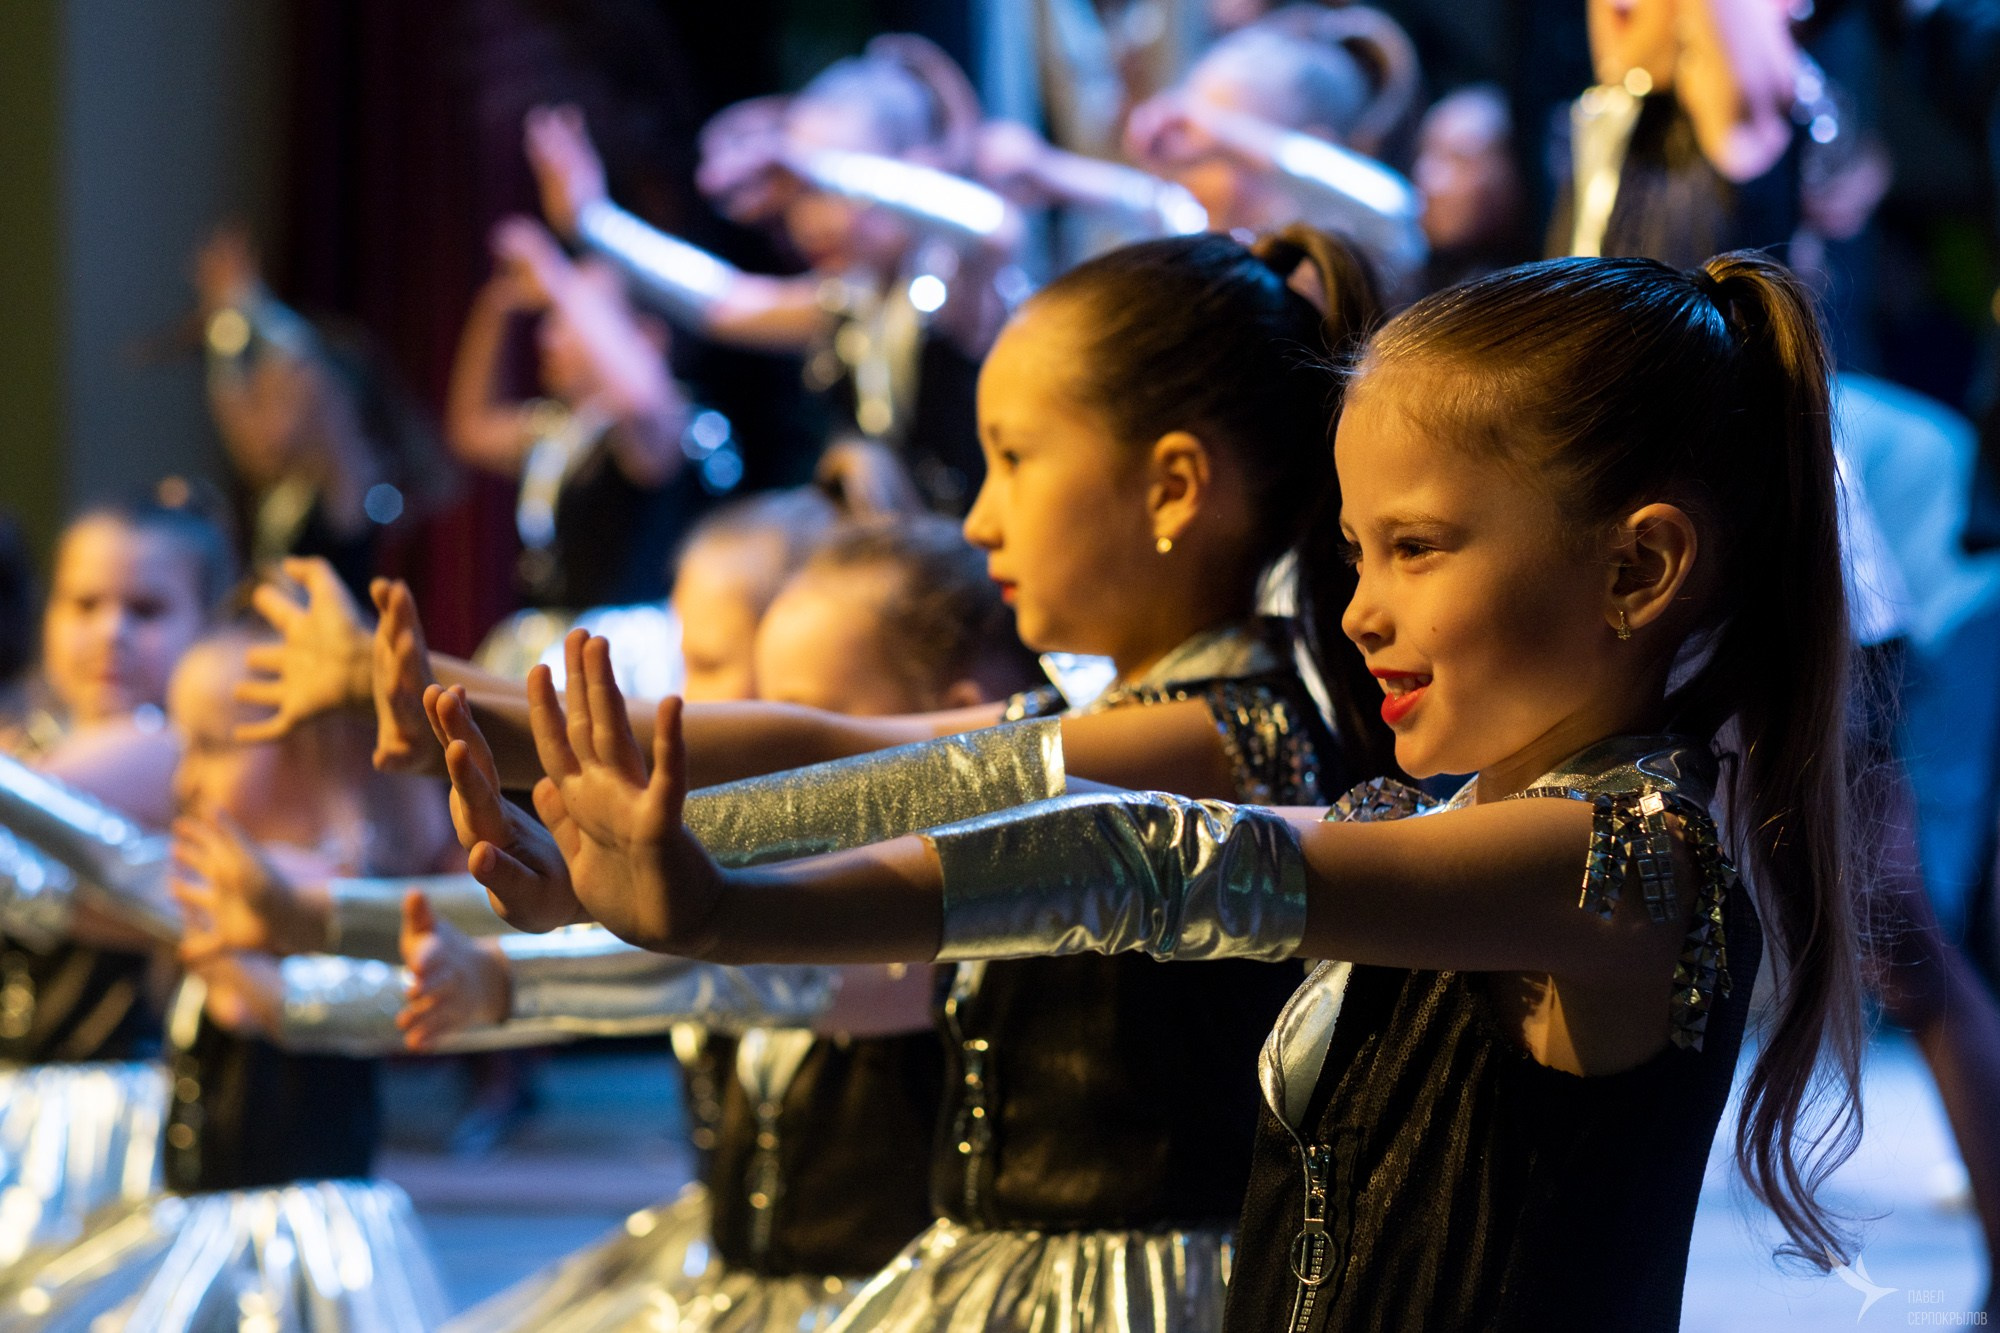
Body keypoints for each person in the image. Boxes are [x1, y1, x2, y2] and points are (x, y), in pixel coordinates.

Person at [503, 253, 1865, 1330]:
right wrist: (635, 857)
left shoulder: (1621, 864)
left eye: (1417, 548)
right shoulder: (1431, 827)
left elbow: (1133, 859)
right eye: (1355, 551)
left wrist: (726, 905)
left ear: (1636, 570)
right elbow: (956, 789)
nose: (1362, 610)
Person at [243, 227, 1395, 1331]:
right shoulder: (1118, 724)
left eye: (1013, 459)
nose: (981, 514)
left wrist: (658, 852)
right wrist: (462, 712)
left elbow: (871, 771)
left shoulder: (1215, 738)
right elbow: (829, 743)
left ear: (1173, 486)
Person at [527, 36, 1022, 512]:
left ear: (911, 169)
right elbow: (722, 302)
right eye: (797, 194)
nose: (810, 221)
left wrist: (825, 169)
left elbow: (994, 226)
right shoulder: (852, 299)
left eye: (828, 190)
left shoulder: (956, 284)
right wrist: (594, 221)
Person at [447, 216, 704, 611]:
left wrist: (558, 276)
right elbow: (471, 430)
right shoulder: (563, 430)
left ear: (647, 337)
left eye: (576, 318)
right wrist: (496, 304)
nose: (548, 338)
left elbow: (641, 402)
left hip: (629, 636)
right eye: (554, 318)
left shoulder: (666, 423)